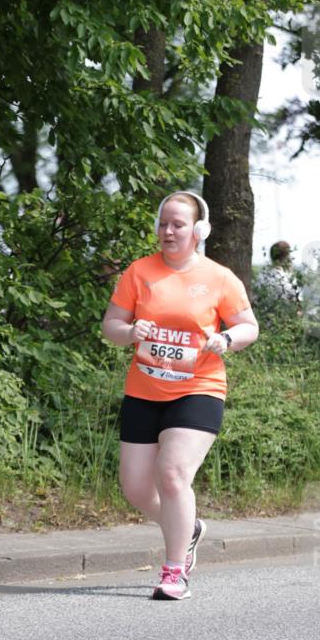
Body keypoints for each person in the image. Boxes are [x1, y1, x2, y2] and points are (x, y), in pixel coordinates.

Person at [101, 191, 259, 600]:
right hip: (143, 389)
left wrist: (225, 338)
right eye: (163, 224)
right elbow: (111, 324)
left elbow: (249, 327)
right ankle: (188, 528)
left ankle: (174, 571)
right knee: (136, 487)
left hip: (198, 389)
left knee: (172, 474)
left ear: (198, 231)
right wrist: (129, 332)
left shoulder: (219, 277)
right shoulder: (140, 272)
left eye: (177, 224)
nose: (167, 231)